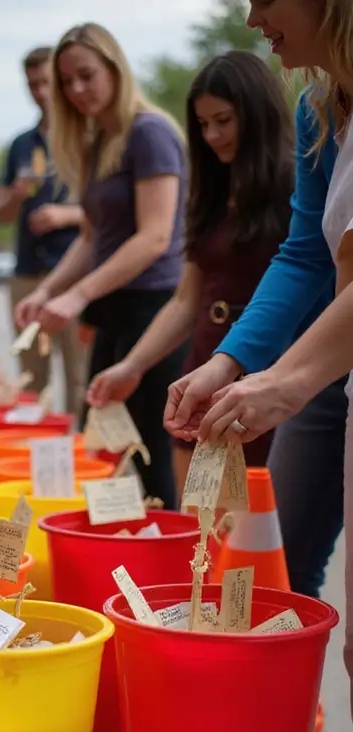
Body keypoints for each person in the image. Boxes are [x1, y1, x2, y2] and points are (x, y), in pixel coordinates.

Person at [164, 0, 353, 732]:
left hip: (327, 373)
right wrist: (235, 361)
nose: (251, 16)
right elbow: (311, 261)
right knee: (317, 601)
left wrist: (285, 384)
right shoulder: (323, 107)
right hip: (336, 374)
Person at [87, 51, 294, 497]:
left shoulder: (296, 186)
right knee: (199, 519)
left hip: (271, 371)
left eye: (223, 120)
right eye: (203, 125)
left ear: (256, 115)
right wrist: (132, 365)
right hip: (204, 362)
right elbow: (185, 301)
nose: (212, 135)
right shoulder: (212, 193)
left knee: (264, 531)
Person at [15, 23, 187, 508]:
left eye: (86, 76)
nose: (75, 90)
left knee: (150, 448)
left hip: (154, 308)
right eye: (67, 81)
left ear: (115, 68)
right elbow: (92, 239)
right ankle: (117, 550)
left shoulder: (149, 132)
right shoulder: (96, 142)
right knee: (103, 443)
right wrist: (47, 291)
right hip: (111, 311)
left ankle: (171, 567)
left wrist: (78, 294)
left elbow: (154, 237)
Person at [0, 46, 86, 417]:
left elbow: (113, 212)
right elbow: (1, 215)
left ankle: (81, 456)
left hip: (76, 270)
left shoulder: (86, 136)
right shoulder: (22, 144)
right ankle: (33, 453)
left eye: (47, 83)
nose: (40, 92)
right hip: (28, 271)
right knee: (31, 375)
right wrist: (16, 196)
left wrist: (65, 215)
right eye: (32, 84)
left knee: (80, 374)